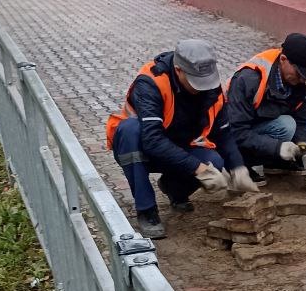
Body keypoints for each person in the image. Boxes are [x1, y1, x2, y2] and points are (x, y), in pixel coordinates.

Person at [106, 39, 259, 239]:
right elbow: (152, 139)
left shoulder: (211, 88)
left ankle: (174, 189)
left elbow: (223, 134)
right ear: (178, 70)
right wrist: (198, 169)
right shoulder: (151, 82)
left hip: (178, 145)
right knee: (130, 129)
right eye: (196, 82)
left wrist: (238, 169)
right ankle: (147, 210)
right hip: (139, 146)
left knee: (215, 161)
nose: (202, 88)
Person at [226, 33, 306, 183]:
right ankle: (244, 163)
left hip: (266, 125)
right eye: (299, 73)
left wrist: (303, 147)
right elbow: (237, 132)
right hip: (235, 137)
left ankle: (279, 161)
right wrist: (277, 147)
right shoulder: (248, 79)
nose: (303, 79)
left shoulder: (299, 81)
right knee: (286, 125)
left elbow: (300, 121)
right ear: (283, 60)